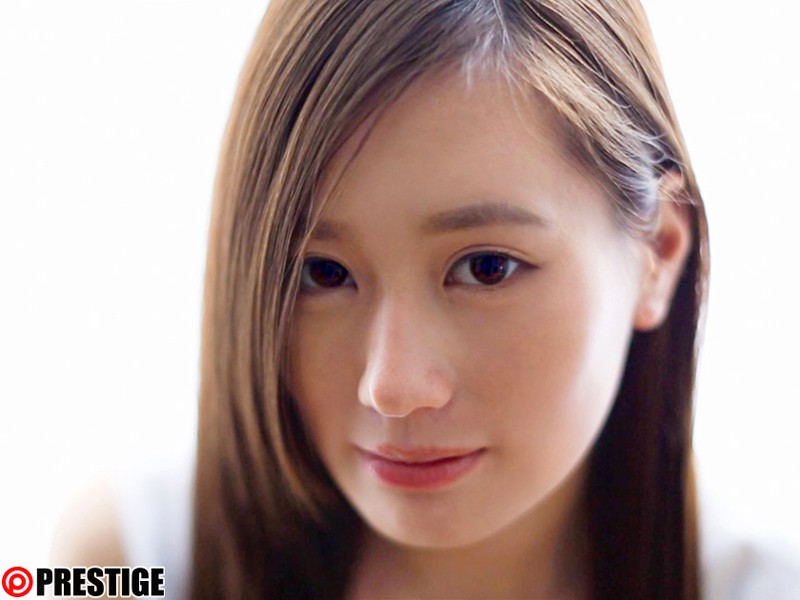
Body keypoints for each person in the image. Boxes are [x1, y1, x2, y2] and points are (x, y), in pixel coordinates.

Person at [51, 0, 800, 598]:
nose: (393, 386)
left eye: (486, 268)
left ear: (658, 253)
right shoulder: (127, 564)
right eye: (323, 273)